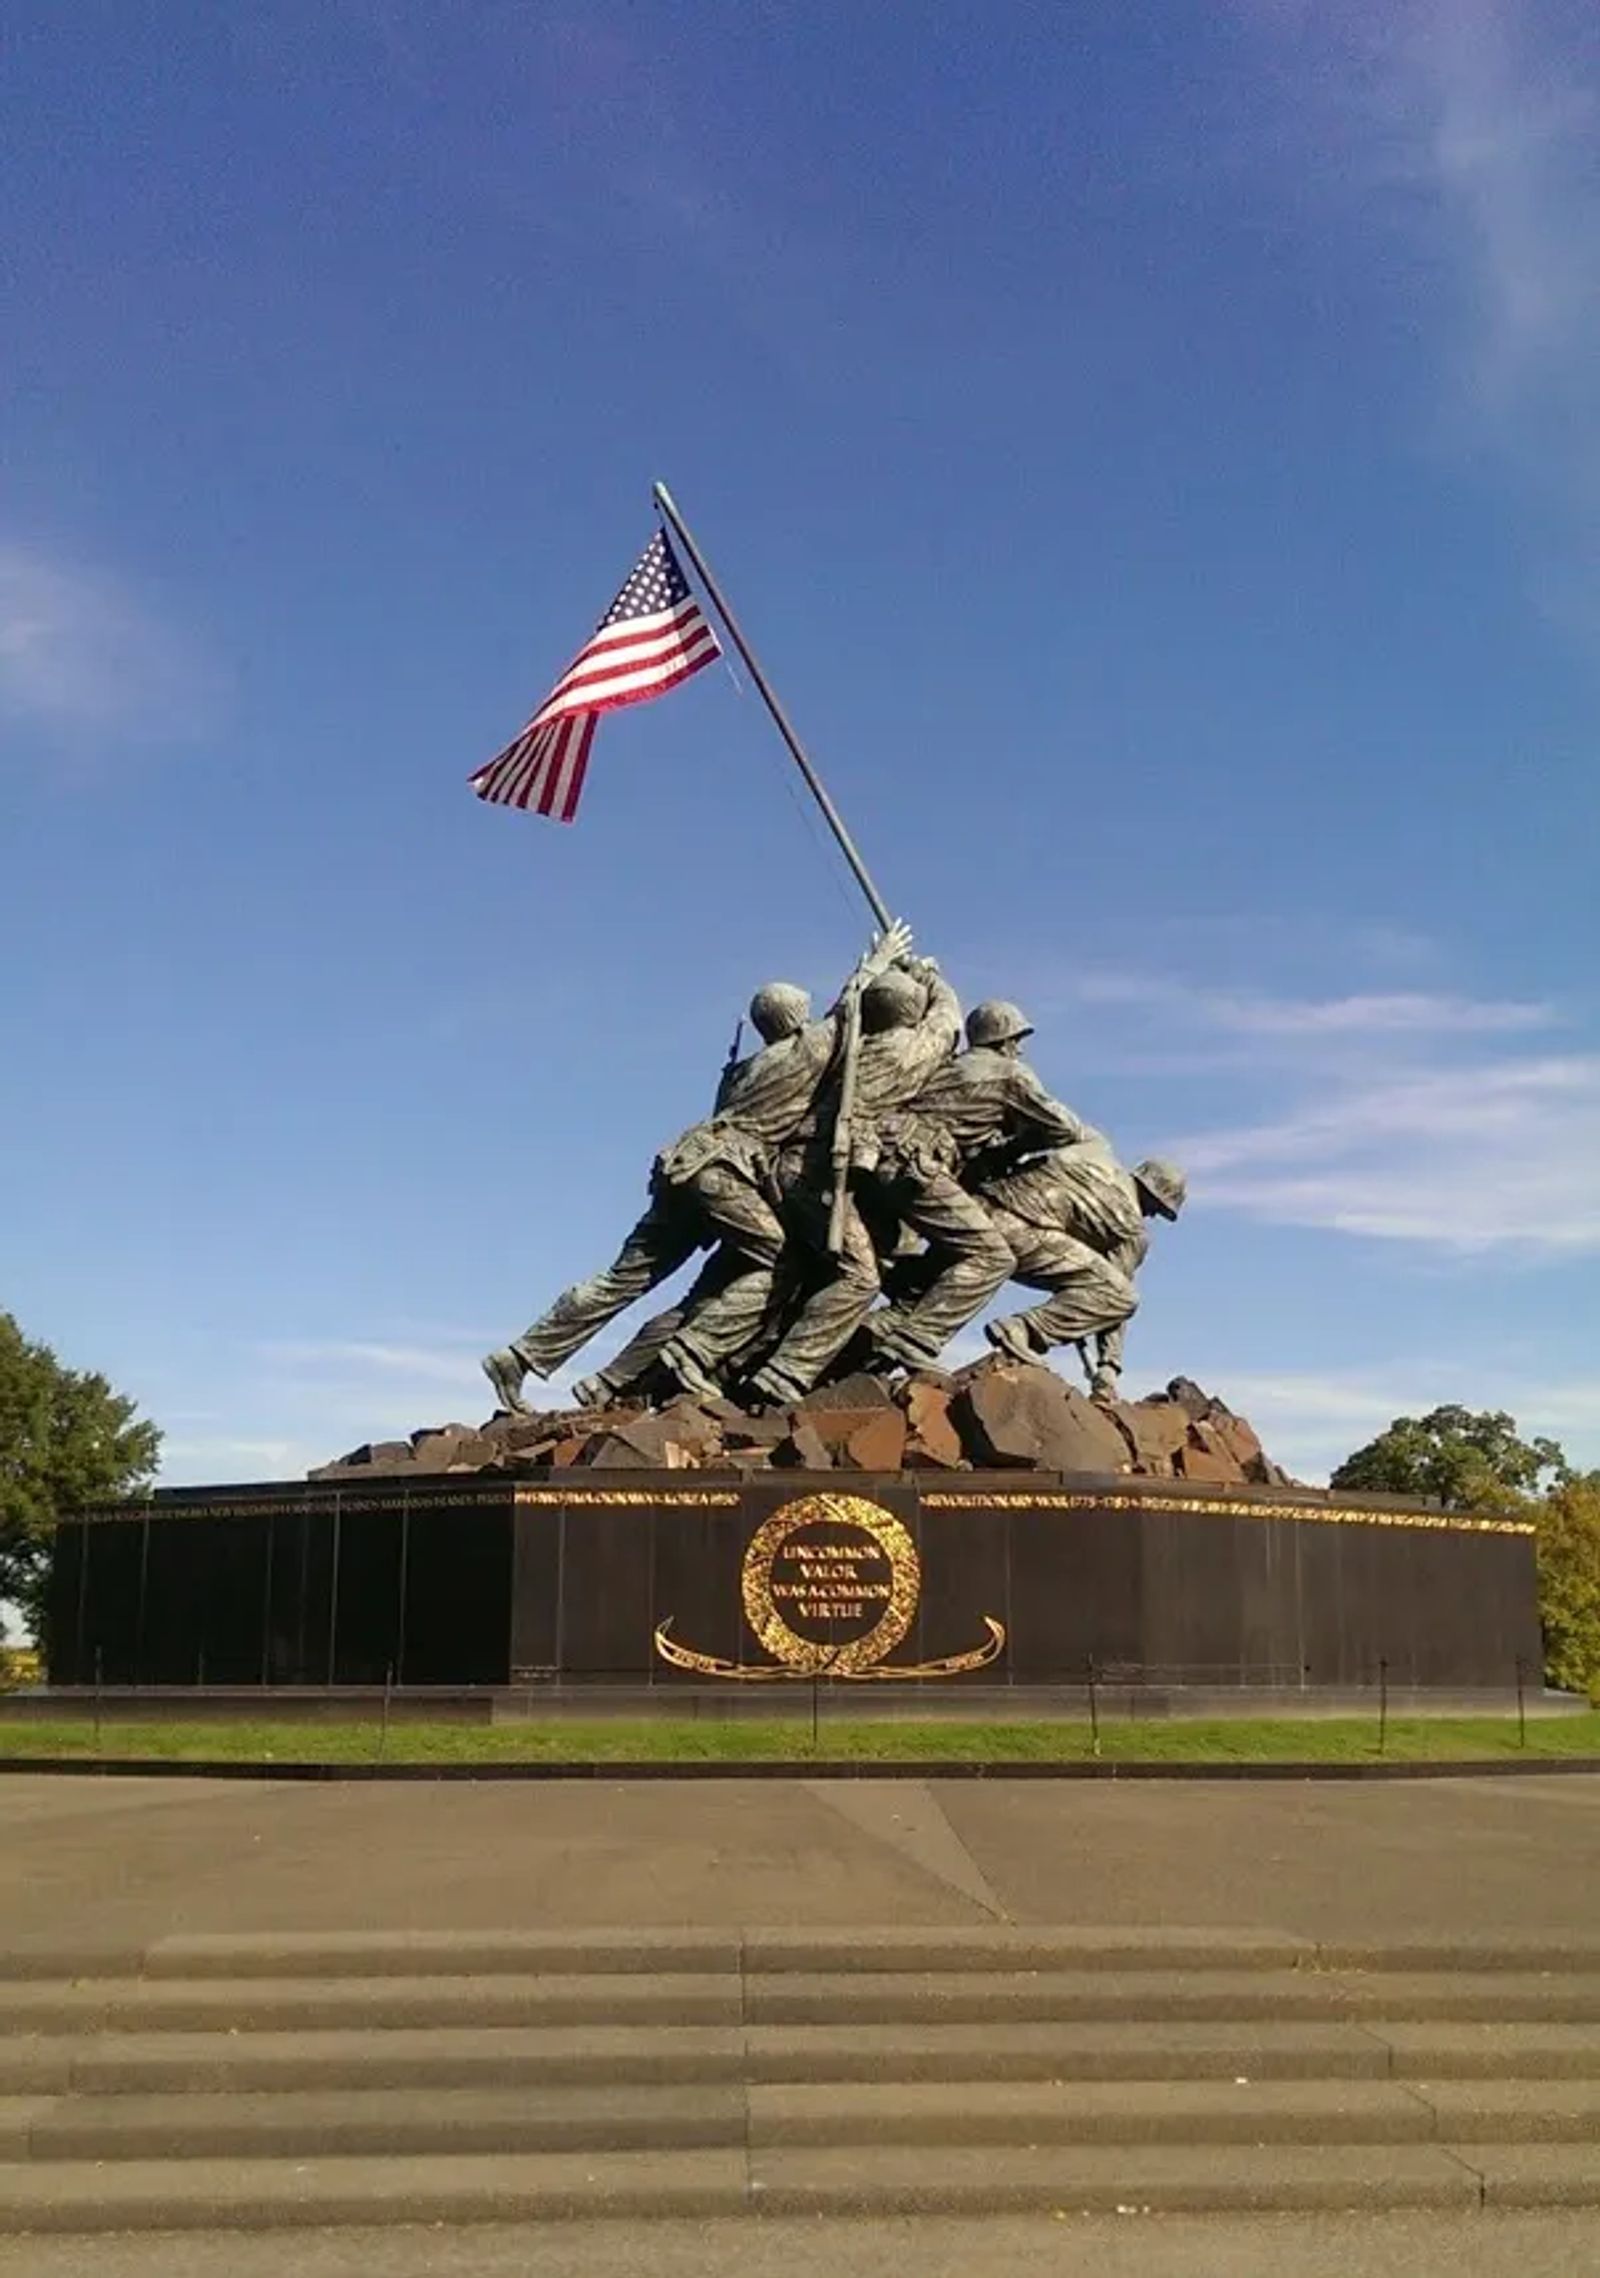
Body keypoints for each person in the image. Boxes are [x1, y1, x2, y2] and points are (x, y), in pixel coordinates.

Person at [481, 924, 911, 1414]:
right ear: (796, 1018)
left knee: (626, 1278)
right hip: (722, 1172)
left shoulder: (742, 1071)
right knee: (778, 1258)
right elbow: (850, 1005)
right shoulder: (805, 1051)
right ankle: (693, 1353)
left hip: (682, 1164)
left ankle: (522, 1355)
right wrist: (881, 961)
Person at [745, 956, 964, 1407]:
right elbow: (949, 1020)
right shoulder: (911, 1049)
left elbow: (837, 1016)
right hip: (822, 1172)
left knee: (817, 1269)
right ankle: (785, 1373)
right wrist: (930, 975)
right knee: (860, 1277)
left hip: (787, 1168)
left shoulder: (841, 1050)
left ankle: (752, 1362)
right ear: (909, 1011)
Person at [860, 999, 1100, 1372]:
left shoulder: (948, 1067)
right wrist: (1016, 1144)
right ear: (1003, 1040)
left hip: (883, 1161)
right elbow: (1064, 1128)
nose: (1019, 1048)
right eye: (1017, 1039)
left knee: (918, 1257)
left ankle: (878, 1327)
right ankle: (916, 1338)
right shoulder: (1010, 1074)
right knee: (993, 1257)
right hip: (918, 1167)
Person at [979, 1147, 1187, 1401]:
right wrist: (1108, 1368)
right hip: (1022, 1235)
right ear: (1152, 1193)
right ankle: (1023, 1329)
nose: (1153, 1214)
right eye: (1158, 1207)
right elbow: (1114, 1296)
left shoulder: (1098, 1166)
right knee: (1121, 1296)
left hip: (981, 1211)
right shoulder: (1131, 1225)